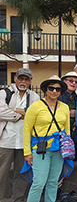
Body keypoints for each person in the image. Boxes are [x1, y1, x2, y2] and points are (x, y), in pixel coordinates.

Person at [22, 75, 70, 202]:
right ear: (45, 90)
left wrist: (68, 148)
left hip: (58, 149)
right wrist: (27, 153)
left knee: (53, 182)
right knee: (38, 183)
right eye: (51, 88)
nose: (54, 91)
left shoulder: (65, 107)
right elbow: (26, 129)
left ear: (61, 92)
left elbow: (67, 130)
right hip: (40, 149)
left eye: (57, 89)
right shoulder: (35, 106)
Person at [0, 68, 39, 202]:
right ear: (15, 79)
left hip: (24, 142)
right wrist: (21, 114)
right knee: (1, 173)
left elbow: (35, 115)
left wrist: (12, 110)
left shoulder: (34, 96)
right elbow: (1, 112)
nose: (23, 81)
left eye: (26, 79)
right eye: (20, 78)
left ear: (30, 81)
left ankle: (19, 199)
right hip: (5, 140)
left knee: (21, 174)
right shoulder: (4, 93)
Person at [59, 71, 77, 161]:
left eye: (76, 82)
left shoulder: (75, 96)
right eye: (71, 81)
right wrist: (68, 112)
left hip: (73, 129)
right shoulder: (59, 95)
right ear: (64, 81)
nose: (73, 83)